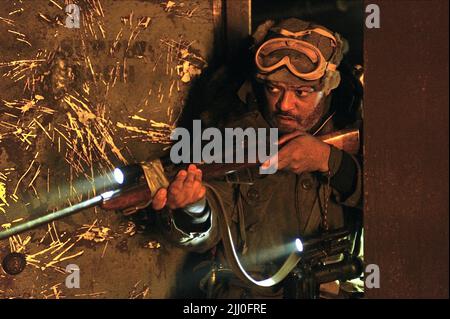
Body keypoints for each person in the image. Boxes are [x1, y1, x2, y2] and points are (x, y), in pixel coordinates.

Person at [151, 18, 363, 298]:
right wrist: (194, 209)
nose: (285, 105)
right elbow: (208, 229)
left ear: (329, 86)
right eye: (274, 88)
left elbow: (408, 211)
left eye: (302, 92)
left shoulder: (356, 123)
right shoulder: (232, 132)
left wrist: (331, 162)